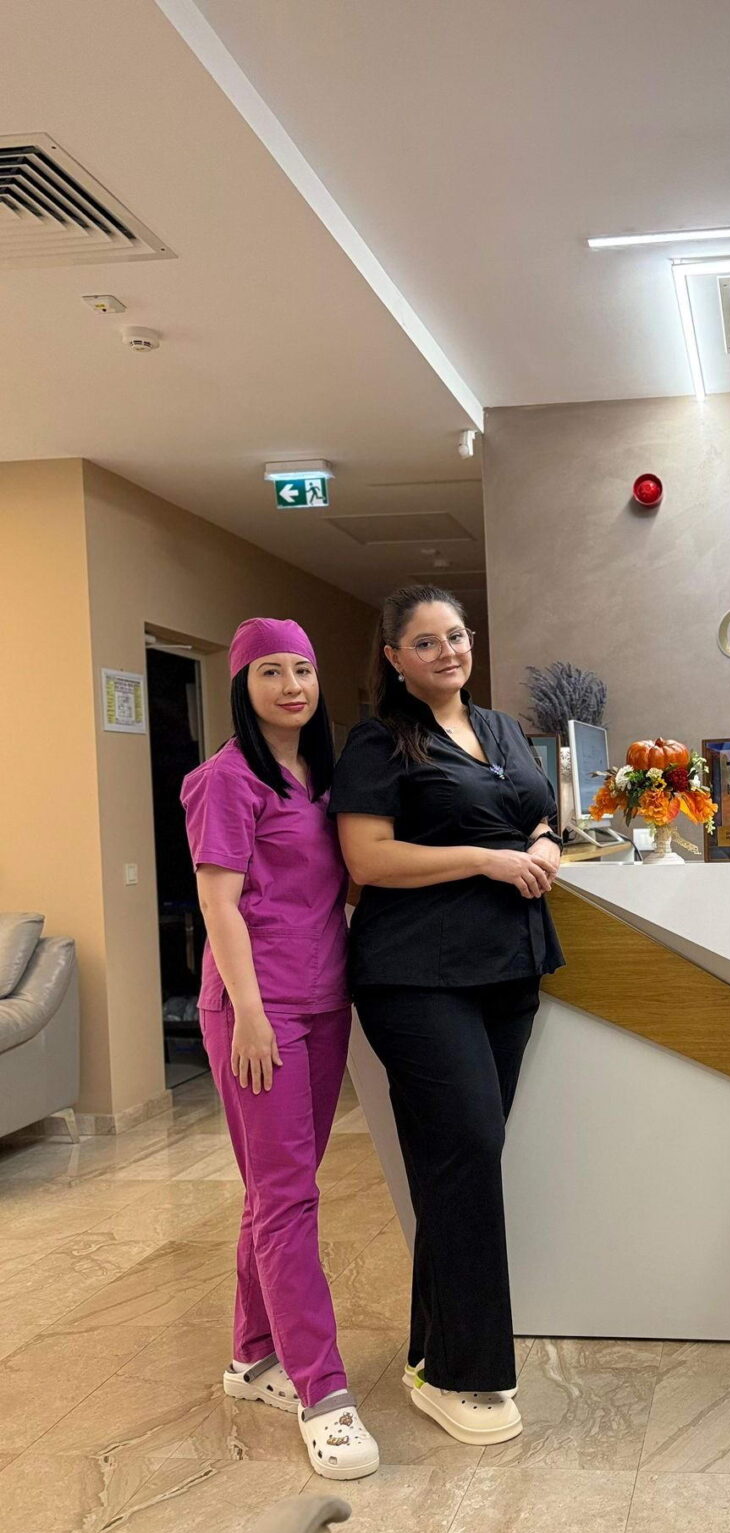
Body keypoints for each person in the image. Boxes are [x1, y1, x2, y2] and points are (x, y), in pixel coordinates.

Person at [331, 584, 564, 1446]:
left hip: (507, 968)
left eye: (456, 636)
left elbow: (539, 810)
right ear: (395, 657)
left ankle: (432, 1353)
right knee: (466, 1146)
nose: (448, 652)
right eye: (426, 642)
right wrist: (487, 860)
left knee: (456, 1161)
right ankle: (467, 1373)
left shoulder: (499, 728)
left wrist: (542, 842)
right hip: (417, 976)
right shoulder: (378, 740)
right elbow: (367, 858)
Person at [181, 618, 378, 1481]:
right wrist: (250, 1014)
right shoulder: (226, 780)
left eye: (303, 668)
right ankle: (322, 1392)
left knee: (276, 1190)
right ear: (242, 684)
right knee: (289, 1196)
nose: (293, 685)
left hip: (324, 1000)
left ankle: (254, 1354)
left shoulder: (322, 777)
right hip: (260, 1013)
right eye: (271, 671)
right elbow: (219, 905)